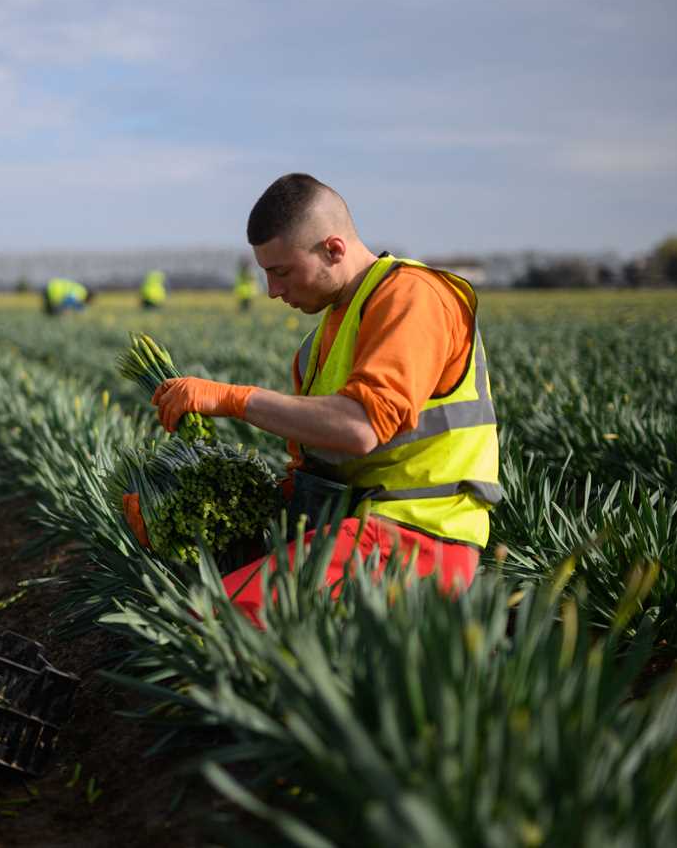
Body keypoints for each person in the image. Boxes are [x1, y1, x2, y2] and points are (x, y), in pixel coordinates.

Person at [123, 173, 502, 627]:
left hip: (415, 539)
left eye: (281, 272)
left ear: (333, 249)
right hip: (351, 532)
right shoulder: (316, 344)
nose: (272, 291)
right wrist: (178, 508)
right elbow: (319, 472)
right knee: (198, 619)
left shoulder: (413, 297)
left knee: (209, 627)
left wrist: (233, 399)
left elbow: (360, 426)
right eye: (265, 274)